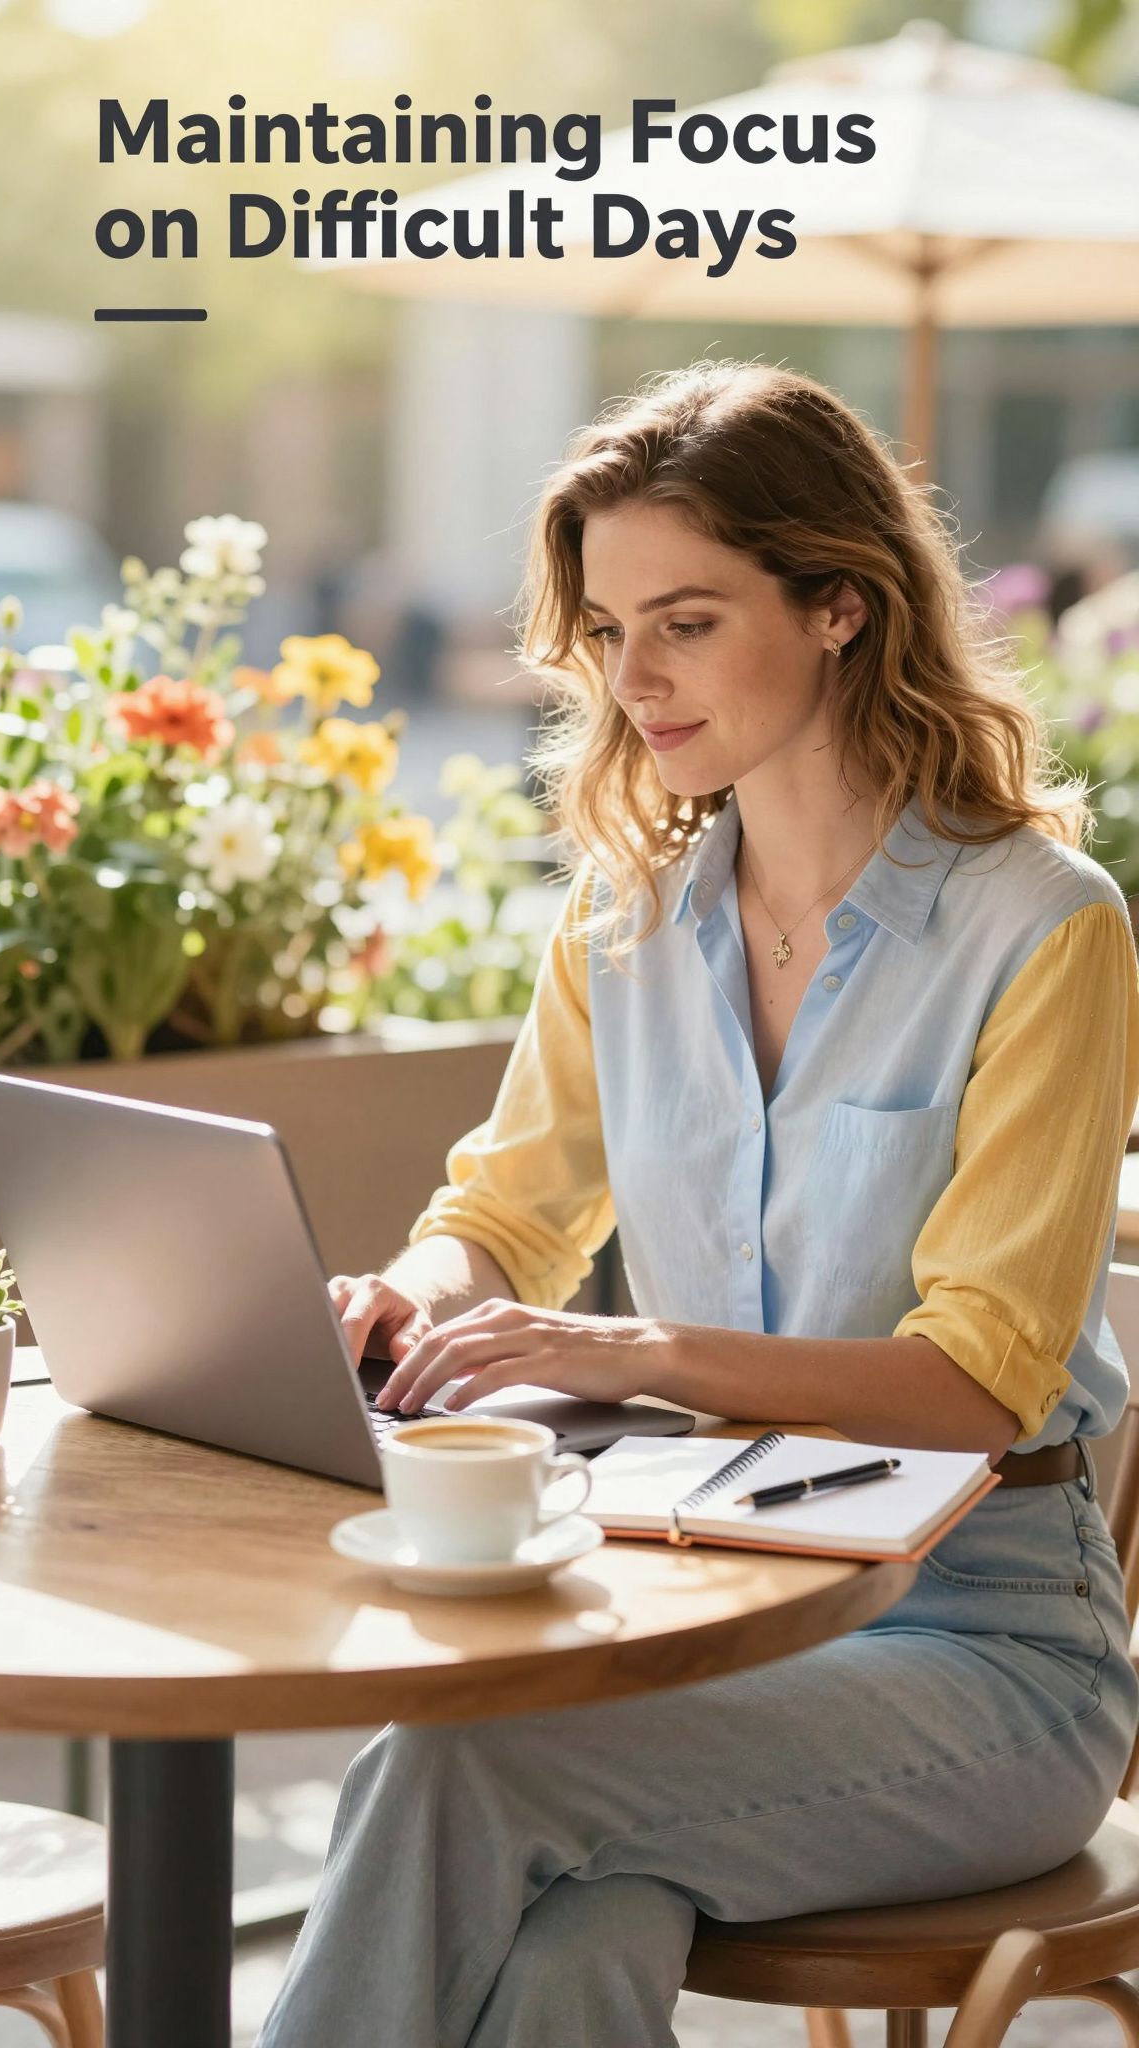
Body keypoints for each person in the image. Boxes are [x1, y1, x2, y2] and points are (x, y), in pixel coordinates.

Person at [255, 361, 1139, 2048]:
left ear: (841, 611)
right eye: (603, 631)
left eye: (684, 622)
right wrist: (411, 1292)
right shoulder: (632, 913)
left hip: (988, 1654)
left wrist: (622, 1347)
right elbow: (505, 1215)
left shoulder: (1043, 927)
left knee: (459, 1766)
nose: (632, 679)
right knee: (580, 1942)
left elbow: (976, 1381)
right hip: (704, 1618)